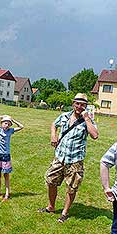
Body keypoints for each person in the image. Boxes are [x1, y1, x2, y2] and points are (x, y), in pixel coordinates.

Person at [38, 93, 99, 223]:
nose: (79, 106)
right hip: (60, 157)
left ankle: (65, 213)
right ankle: (51, 207)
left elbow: (94, 135)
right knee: (50, 180)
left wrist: (87, 119)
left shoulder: (88, 120)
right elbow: (54, 124)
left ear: (86, 106)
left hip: (75, 160)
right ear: (73, 104)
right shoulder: (64, 116)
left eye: (83, 104)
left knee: (72, 187)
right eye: (77, 103)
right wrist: (53, 135)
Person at [0, 115, 24, 201]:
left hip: (6, 155)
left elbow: (21, 127)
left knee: (6, 175)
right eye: (5, 123)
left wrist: (13, 120)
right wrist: (1, 116)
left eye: (9, 124)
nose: (7, 125)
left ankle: (7, 194)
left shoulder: (10, 131)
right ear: (1, 123)